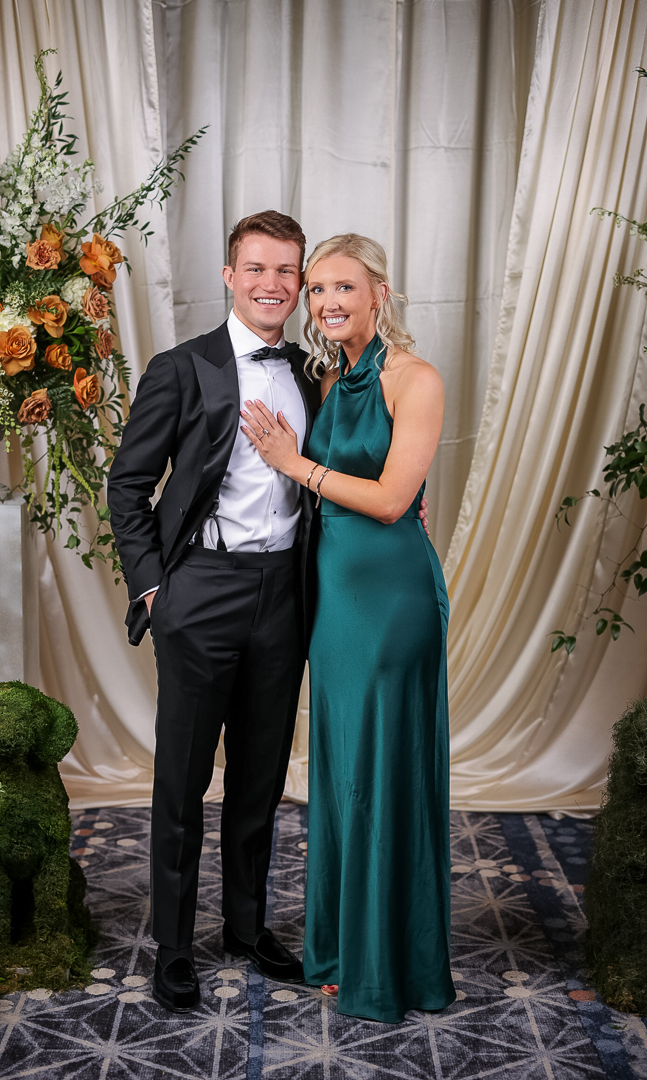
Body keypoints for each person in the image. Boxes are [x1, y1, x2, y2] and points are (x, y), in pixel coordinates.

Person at [107, 211, 321, 1013]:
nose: (273, 284)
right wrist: (154, 588)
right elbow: (129, 485)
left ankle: (245, 927)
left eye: (287, 271)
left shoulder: (312, 372)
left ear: (300, 283)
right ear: (230, 276)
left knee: (260, 777)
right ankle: (172, 946)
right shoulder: (182, 368)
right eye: (257, 268)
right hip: (200, 590)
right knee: (183, 780)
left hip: (284, 594)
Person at [240, 233, 455, 1023]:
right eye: (319, 289)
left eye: (345, 288)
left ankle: (387, 964)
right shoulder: (326, 376)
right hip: (334, 600)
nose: (329, 302)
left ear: (379, 295)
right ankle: (340, 948)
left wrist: (293, 464)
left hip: (392, 599)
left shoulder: (416, 379)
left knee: (384, 766)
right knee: (343, 771)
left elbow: (395, 500)